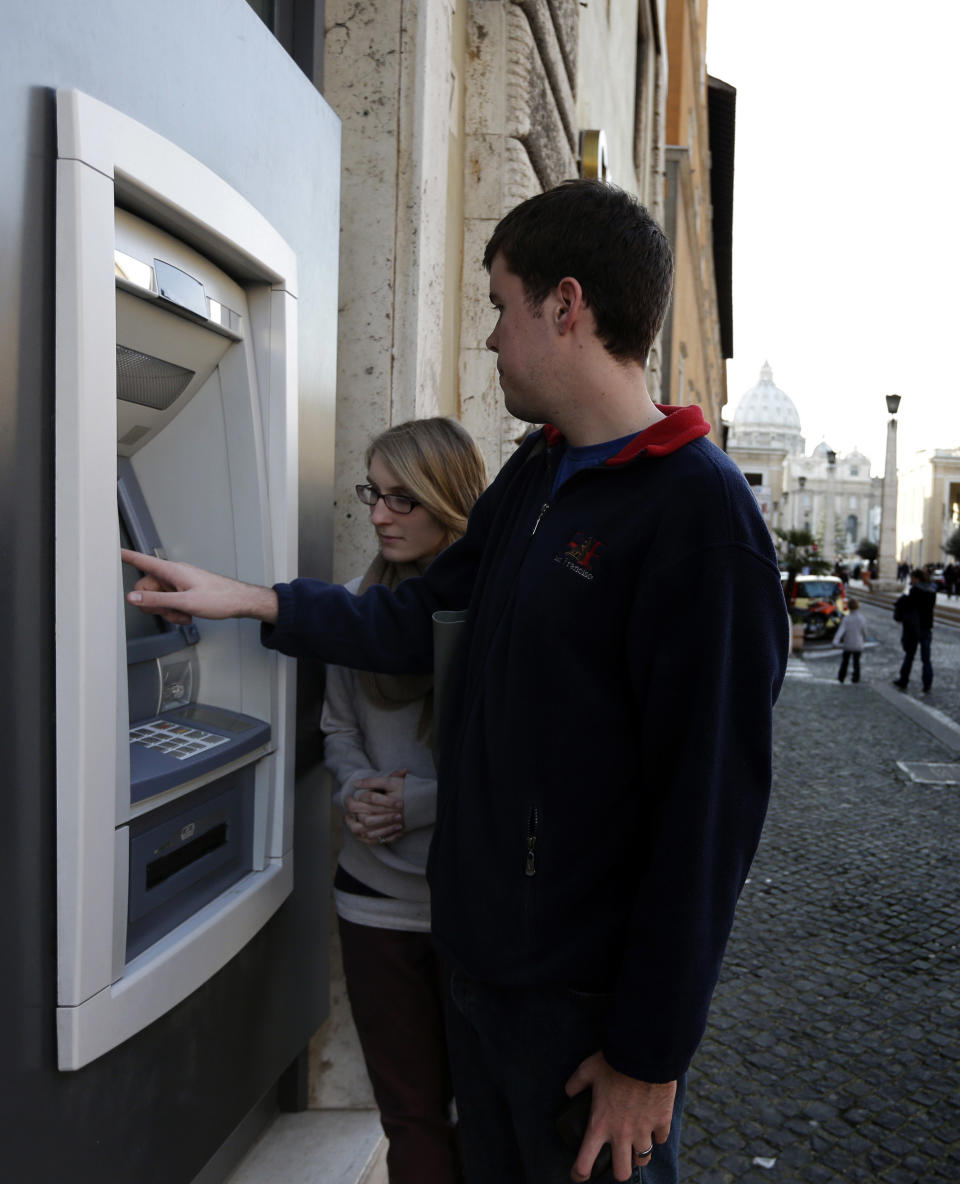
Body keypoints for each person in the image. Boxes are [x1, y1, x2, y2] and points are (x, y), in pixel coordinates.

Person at [123, 179, 789, 1184]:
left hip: (582, 1013)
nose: (489, 337)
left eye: (500, 305)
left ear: (566, 306)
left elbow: (709, 818)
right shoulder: (540, 473)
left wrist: (649, 1058)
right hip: (482, 970)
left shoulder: (701, 516)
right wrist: (255, 601)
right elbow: (414, 613)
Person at [324, 417, 486, 1184]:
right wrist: (357, 790)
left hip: (469, 903)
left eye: (401, 499)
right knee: (410, 1115)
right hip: (372, 899)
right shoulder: (364, 598)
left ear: (448, 500)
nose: (380, 515)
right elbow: (337, 722)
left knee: (484, 1115)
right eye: (374, 494)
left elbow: (518, 760)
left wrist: (414, 805)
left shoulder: (494, 608)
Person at [893, 568, 936, 692]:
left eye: (912, 578)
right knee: (926, 658)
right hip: (927, 627)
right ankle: (927, 683)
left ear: (916, 578)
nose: (910, 580)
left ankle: (904, 679)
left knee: (910, 655)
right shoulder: (932, 591)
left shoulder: (915, 591)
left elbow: (910, 608)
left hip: (915, 628)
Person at [832, 596, 868, 683]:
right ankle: (856, 678)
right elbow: (864, 632)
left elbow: (840, 632)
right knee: (856, 662)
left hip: (848, 644)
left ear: (848, 607)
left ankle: (841, 676)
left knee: (845, 662)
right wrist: (864, 640)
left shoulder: (846, 619)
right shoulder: (862, 619)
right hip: (858, 644)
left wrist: (835, 642)